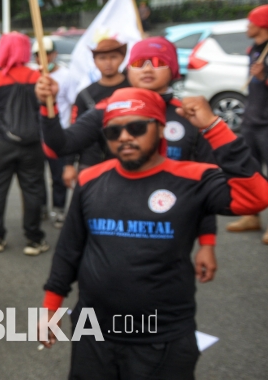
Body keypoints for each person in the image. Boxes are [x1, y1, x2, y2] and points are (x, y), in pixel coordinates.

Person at [39, 88, 268, 380]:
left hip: (161, 338)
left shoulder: (195, 177)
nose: (124, 137)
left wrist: (213, 126)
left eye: (136, 127)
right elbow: (70, 249)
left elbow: (256, 197)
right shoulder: (90, 180)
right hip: (93, 333)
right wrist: (50, 306)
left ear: (160, 128)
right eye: (113, 131)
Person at [37, 36, 219, 278]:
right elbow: (60, 145)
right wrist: (47, 107)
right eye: (140, 62)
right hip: (112, 215)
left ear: (174, 69)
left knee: (161, 289)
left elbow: (208, 185)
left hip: (168, 226)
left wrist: (207, 243)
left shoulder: (190, 115)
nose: (146, 68)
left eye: (157, 62)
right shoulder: (108, 109)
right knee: (102, 278)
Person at [0, 32, 48, 256]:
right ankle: (33, 240)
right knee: (32, 190)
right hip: (32, 143)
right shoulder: (38, 77)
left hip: (1, 142)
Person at [226, 5, 268, 242]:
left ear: (262, 24)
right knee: (251, 169)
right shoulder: (254, 49)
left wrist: (264, 77)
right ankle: (252, 216)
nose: (247, 26)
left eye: (251, 22)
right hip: (252, 120)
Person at [63, 38, 130, 186]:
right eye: (102, 58)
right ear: (94, 61)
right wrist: (69, 165)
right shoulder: (85, 95)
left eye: (113, 57)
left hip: (127, 159)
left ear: (122, 58)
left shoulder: (134, 89)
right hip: (90, 162)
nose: (108, 63)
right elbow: (75, 130)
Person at [34, 37, 79, 227]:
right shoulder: (32, 76)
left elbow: (74, 104)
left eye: (46, 54)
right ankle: (42, 207)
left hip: (59, 134)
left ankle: (59, 209)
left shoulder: (67, 76)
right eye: (38, 55)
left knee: (58, 176)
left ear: (54, 54)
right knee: (36, 176)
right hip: (36, 135)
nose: (42, 58)